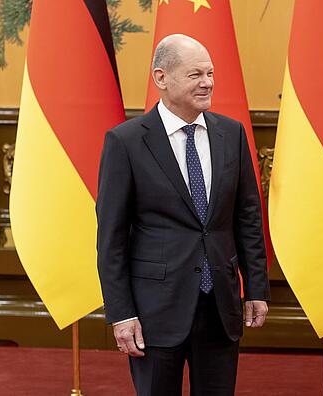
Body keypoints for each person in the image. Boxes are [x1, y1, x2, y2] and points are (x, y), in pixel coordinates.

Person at [96, 34, 270, 395]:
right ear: (162, 78)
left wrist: (256, 287)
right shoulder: (126, 141)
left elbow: (247, 217)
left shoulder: (231, 133)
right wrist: (121, 313)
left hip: (220, 306)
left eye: (210, 73)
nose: (207, 82)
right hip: (155, 311)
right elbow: (111, 238)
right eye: (195, 75)